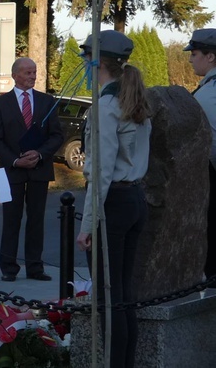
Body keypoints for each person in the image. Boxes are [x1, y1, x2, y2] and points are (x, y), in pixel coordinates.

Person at [76, 30, 151, 368]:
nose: (84, 67)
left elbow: (101, 172)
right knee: (122, 294)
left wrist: (87, 224)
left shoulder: (107, 106)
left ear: (97, 63)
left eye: (86, 61)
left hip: (116, 203)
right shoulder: (132, 99)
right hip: (135, 198)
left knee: (110, 296)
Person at [0, 57, 63, 282]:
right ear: (15, 75)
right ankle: (8, 268)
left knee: (36, 220)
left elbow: (57, 135)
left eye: (34, 72)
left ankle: (35, 267)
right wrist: (14, 161)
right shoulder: (0, 104)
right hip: (13, 172)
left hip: (39, 170)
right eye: (28, 73)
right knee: (11, 220)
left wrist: (40, 154)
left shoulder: (47, 101)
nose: (33, 76)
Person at [185, 28, 216, 281]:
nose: (190, 59)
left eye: (194, 54)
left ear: (211, 56)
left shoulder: (210, 92)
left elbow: (211, 140)